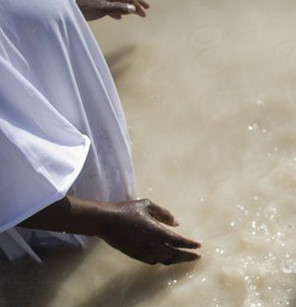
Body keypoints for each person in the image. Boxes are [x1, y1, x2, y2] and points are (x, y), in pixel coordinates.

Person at [0, 0, 201, 265]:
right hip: (43, 217)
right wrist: (102, 220)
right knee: (55, 256)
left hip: (51, 76)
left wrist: (64, 7)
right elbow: (11, 188)